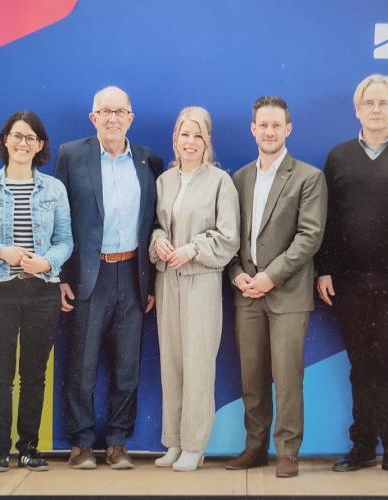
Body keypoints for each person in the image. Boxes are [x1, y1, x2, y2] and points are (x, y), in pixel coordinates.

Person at [315, 74, 388, 476]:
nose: (376, 110)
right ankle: (361, 448)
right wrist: (324, 269)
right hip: (350, 281)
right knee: (361, 365)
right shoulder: (339, 156)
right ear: (357, 110)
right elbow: (327, 218)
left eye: (383, 103)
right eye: (369, 103)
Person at [54, 86, 163, 470]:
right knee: (82, 366)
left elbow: (155, 222)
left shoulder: (149, 160)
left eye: (120, 112)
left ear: (131, 117)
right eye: (105, 111)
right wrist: (62, 276)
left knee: (127, 366)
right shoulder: (71, 155)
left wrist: (151, 281)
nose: (113, 118)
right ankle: (81, 443)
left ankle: (117, 442)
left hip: (132, 274)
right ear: (93, 117)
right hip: (89, 275)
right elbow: (59, 219)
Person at [0, 111, 72, 472]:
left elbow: (65, 241)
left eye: (30, 138)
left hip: (42, 292)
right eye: (17, 136)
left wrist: (47, 262)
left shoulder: (54, 189)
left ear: (40, 146)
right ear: (5, 141)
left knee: (35, 373)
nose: (23, 143)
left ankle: (28, 448)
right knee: (0, 373)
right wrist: (1, 252)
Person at [225, 96, 327, 478]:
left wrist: (270, 276)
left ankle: (287, 451)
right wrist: (236, 273)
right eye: (262, 125)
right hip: (246, 292)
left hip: (287, 293)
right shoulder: (238, 178)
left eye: (276, 125)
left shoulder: (308, 177)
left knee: (287, 377)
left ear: (288, 129)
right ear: (253, 129)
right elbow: (229, 235)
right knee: (251, 377)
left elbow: (309, 236)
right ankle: (255, 447)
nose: (269, 132)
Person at [149, 107, 240, 471]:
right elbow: (155, 225)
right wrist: (159, 241)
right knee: (171, 362)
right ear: (175, 139)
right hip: (167, 280)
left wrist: (193, 249)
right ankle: (173, 441)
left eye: (197, 135)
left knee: (198, 362)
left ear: (207, 141)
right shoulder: (164, 181)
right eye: (184, 134)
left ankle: (194, 445)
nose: (190, 141)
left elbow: (228, 236)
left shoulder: (220, 182)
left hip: (201, 280)